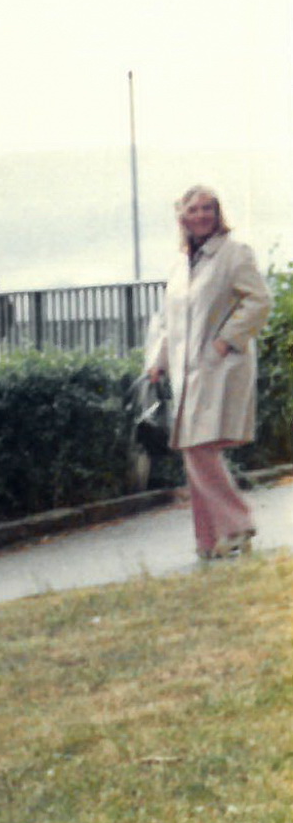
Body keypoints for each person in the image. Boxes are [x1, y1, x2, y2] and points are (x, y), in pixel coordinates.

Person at [142, 184, 271, 560]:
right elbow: (169, 320)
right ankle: (208, 540)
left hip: (221, 367)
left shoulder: (234, 253)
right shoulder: (180, 263)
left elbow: (259, 301)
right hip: (188, 373)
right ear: (182, 217)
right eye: (194, 209)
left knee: (198, 447)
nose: (201, 216)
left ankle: (237, 523)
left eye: (208, 209)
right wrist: (157, 361)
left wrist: (225, 341)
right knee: (192, 449)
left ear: (218, 214)